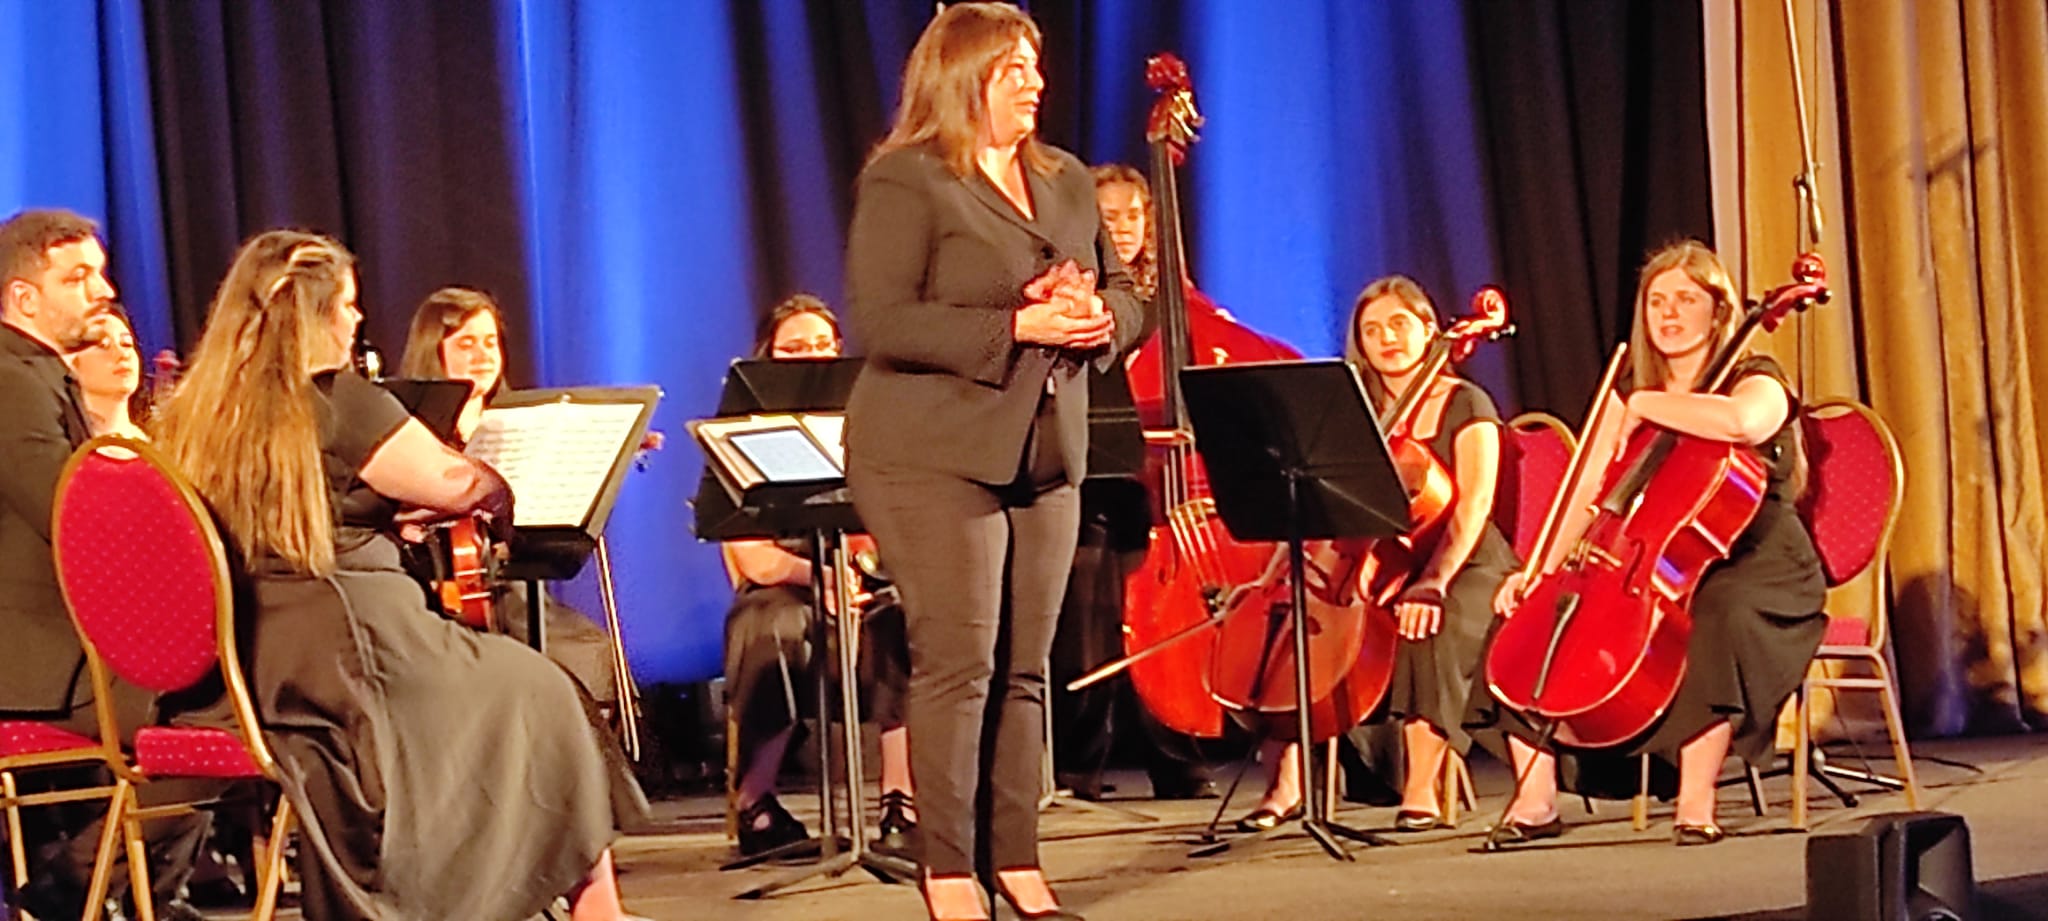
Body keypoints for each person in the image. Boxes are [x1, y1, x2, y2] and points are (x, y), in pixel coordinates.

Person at [152, 229, 651, 920]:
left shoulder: (197, 413)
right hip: (361, 649)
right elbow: (458, 483)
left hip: (260, 661)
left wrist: (385, 508)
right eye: (347, 305)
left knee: (513, 685)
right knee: (543, 687)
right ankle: (596, 908)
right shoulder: (337, 399)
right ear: (314, 315)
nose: (357, 319)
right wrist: (490, 483)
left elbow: (309, 508)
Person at [842, 5, 1140, 918]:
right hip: (928, 450)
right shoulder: (908, 179)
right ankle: (948, 871)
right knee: (960, 661)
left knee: (1024, 667)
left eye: (1035, 65)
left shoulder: (1065, 179)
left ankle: (1017, 861)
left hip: (1044, 449)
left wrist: (1103, 321)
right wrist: (1019, 324)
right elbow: (886, 321)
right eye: (1013, 68)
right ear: (964, 76)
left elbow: (1127, 290)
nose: (1035, 82)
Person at [1474, 239, 1825, 846]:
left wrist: (1647, 404)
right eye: (1657, 301)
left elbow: (1744, 423)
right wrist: (1540, 570)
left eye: (1686, 299)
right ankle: (1535, 801)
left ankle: (1696, 800)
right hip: (1656, 556)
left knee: (1716, 617)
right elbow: (1587, 488)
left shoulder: (1755, 377)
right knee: (1528, 618)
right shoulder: (1631, 386)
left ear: (1719, 311)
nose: (1669, 313)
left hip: (1758, 564)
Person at [1230, 276, 1517, 832]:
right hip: (1379, 559)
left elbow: (1474, 505)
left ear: (1429, 330)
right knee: (1292, 629)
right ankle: (1287, 785)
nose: (1387, 338)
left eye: (1399, 324)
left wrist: (1433, 580)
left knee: (1426, 623)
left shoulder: (1467, 403)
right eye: (1372, 329)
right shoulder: (1355, 410)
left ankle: (1421, 786)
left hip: (1464, 557)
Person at [0, 208, 212, 920]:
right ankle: (77, 886)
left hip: (65, 653)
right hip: (39, 670)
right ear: (25, 297)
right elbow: (68, 514)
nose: (103, 290)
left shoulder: (34, 373)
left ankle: (105, 886)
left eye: (100, 272)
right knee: (232, 713)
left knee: (243, 700)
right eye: (78, 277)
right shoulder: (10, 378)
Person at [714, 294, 918, 857]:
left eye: (824, 345)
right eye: (795, 348)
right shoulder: (740, 432)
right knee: (771, 628)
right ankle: (756, 801)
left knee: (900, 617)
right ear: (768, 358)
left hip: (860, 575)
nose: (813, 357)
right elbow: (755, 560)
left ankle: (901, 801)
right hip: (784, 584)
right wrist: (819, 576)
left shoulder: (873, 421)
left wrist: (856, 572)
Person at [1045, 163, 1219, 802]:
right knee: (1087, 629)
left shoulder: (1178, 301)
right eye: (1107, 215)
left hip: (1162, 488)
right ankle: (1078, 766)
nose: (1122, 227)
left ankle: (1177, 756)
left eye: (1133, 214)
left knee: (1163, 625)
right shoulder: (1068, 296)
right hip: (1093, 477)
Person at [397, 285, 623, 704]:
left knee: (591, 652)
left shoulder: (518, 423)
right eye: (466, 343)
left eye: (490, 342)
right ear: (434, 350)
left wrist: (613, 447)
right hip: (442, 593)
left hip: (512, 589)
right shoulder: (413, 431)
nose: (483, 354)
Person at [63, 305, 149, 439]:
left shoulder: (159, 443)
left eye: (126, 343)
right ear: (71, 363)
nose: (122, 354)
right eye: (102, 346)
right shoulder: (59, 442)